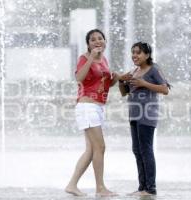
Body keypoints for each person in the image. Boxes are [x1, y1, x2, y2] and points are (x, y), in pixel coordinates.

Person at [65, 29, 118, 197]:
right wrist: (90, 58)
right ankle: (100, 188)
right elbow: (79, 78)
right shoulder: (84, 58)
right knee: (100, 147)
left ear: (105, 41)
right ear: (88, 44)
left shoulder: (104, 60)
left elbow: (105, 85)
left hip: (98, 107)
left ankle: (72, 185)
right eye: (93, 40)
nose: (97, 42)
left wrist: (116, 77)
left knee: (91, 150)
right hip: (87, 106)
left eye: (100, 38)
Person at [118, 42, 170, 196]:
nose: (135, 55)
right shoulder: (134, 71)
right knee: (137, 150)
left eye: (138, 52)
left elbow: (165, 89)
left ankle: (150, 188)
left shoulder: (154, 69)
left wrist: (144, 83)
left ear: (147, 55)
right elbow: (124, 92)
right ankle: (142, 187)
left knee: (146, 150)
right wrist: (121, 81)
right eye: (133, 52)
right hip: (134, 115)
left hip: (147, 115)